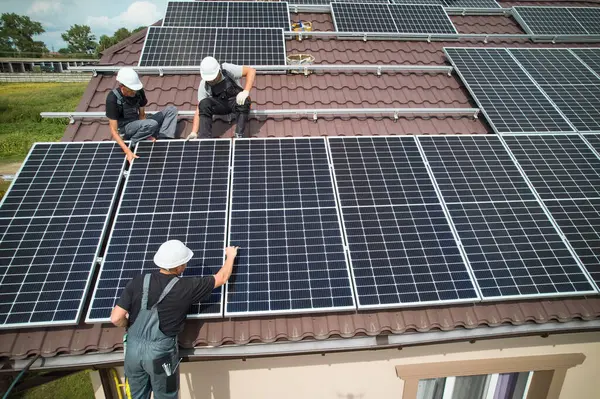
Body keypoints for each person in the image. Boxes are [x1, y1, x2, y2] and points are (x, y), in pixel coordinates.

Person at [110, 240, 239, 399]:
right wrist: (231, 256)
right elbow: (222, 277)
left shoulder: (139, 281)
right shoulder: (185, 287)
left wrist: (128, 325)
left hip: (132, 352)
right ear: (178, 267)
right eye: (184, 263)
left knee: (136, 396)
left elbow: (116, 318)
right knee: (166, 395)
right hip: (161, 355)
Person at [106, 67, 178, 163]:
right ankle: (134, 141)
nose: (134, 92)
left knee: (171, 110)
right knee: (152, 124)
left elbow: (142, 114)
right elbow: (114, 131)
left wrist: (147, 134)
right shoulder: (113, 99)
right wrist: (127, 151)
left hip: (138, 123)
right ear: (122, 88)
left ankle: (164, 139)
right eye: (132, 91)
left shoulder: (139, 92)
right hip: (125, 129)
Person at [187, 57, 256, 139]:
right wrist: (194, 131)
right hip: (221, 106)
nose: (211, 81)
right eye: (209, 80)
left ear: (218, 71)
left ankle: (239, 135)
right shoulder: (204, 84)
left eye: (213, 79)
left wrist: (246, 91)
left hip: (236, 101)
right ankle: (204, 138)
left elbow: (251, 71)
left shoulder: (226, 69)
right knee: (204, 103)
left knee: (245, 100)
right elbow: (200, 108)